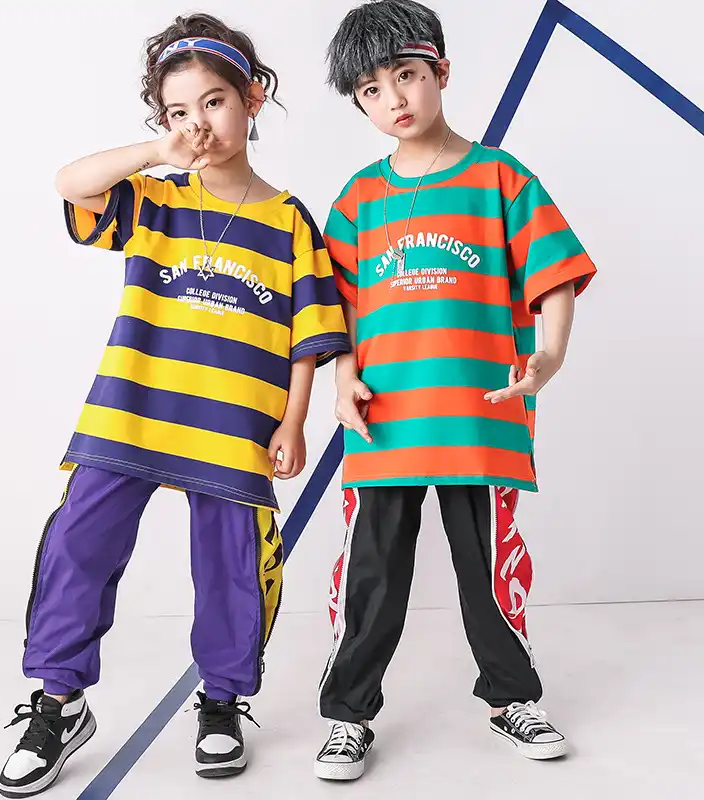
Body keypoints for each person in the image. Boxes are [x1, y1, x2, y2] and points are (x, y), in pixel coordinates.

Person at [0, 13, 350, 797]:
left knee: (232, 569)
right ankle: (58, 703)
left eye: (214, 102)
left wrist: (294, 421)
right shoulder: (153, 199)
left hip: (234, 428)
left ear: (252, 99)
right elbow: (71, 183)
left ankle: (221, 702)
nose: (199, 125)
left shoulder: (290, 221)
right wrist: (157, 152)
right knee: (77, 547)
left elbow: (308, 333)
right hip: (131, 411)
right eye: (179, 111)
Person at [315, 0, 597, 781]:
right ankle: (347, 715)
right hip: (386, 423)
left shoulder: (499, 178)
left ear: (440, 70)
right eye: (371, 90)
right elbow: (335, 308)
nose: (393, 99)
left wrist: (549, 355)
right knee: (371, 574)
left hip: (482, 415)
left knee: (490, 569)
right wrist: (343, 379)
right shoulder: (359, 198)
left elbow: (553, 276)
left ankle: (513, 699)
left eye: (405, 76)